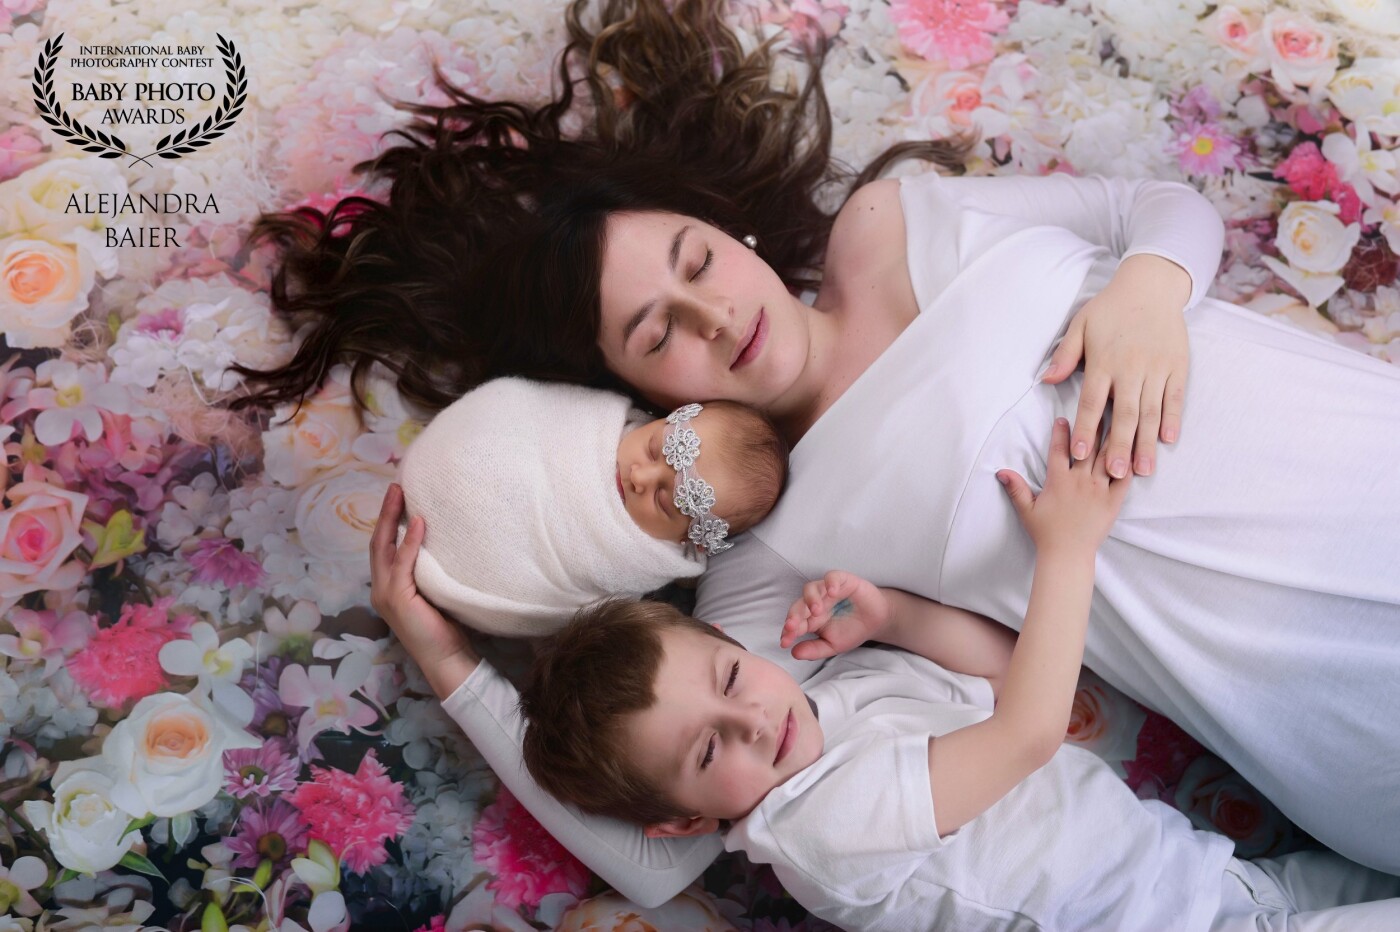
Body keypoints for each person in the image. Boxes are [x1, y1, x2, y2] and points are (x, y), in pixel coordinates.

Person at [269, 0, 1400, 903]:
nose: (715, 315)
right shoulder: (776, 555)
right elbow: (665, 854)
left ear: (727, 231)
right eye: (659, 334)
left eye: (695, 261)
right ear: (638, 393)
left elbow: (1153, 206)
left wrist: (1150, 290)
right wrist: (447, 658)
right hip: (1317, 688)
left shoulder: (886, 226)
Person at [516, 423, 1400, 931]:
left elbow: (1012, 676)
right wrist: (1068, 550)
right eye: (709, 751)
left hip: (1225, 888)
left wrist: (896, 619)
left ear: (729, 642)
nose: (750, 718)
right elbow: (1030, 734)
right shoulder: (816, 830)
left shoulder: (827, 706)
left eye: (730, 677)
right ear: (685, 820)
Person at [397, 377, 787, 636]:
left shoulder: (637, 562)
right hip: (469, 445)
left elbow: (590, 612)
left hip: (484, 557)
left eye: (662, 499)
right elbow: (537, 411)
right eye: (654, 449)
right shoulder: (602, 421)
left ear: (690, 540)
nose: (639, 476)